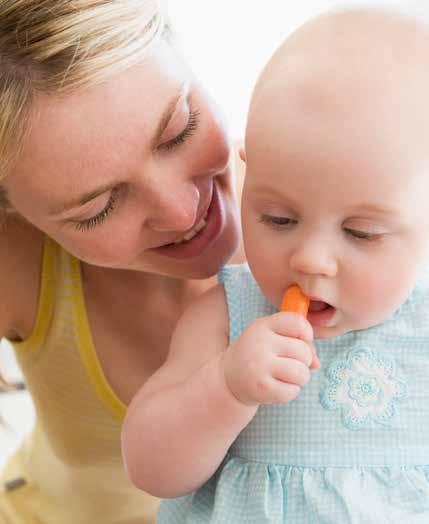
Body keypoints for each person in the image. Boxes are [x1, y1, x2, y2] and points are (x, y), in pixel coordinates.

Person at [121, 5, 429, 523]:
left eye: (361, 233)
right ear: (249, 170)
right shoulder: (231, 316)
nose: (310, 259)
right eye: (279, 218)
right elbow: (150, 469)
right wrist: (223, 388)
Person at [0, 1, 246, 523]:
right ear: (17, 218)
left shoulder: (333, 193)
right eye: (98, 208)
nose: (182, 213)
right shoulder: (18, 268)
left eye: (180, 130)